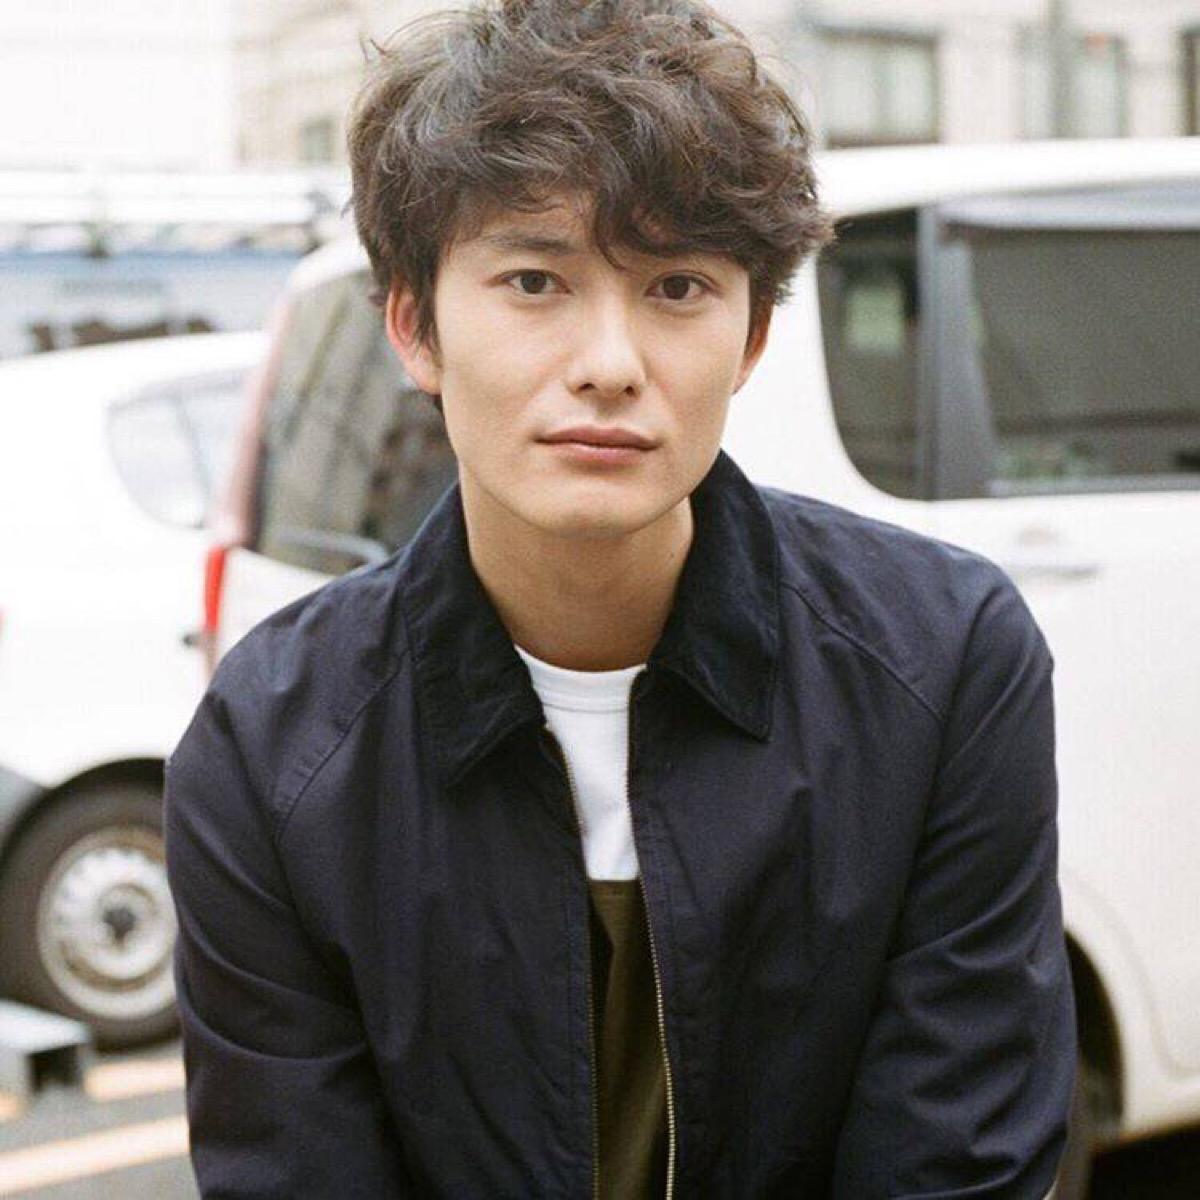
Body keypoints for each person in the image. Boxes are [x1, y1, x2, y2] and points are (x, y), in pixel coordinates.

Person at [163, 1, 1077, 1196]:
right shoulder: (270, 745)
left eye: (678, 286)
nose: (609, 363)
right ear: (416, 328)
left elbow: (954, 1164)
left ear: (751, 339)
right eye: (535, 280)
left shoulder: (944, 662)